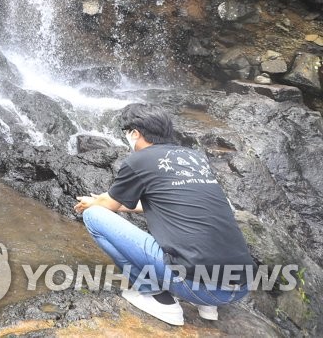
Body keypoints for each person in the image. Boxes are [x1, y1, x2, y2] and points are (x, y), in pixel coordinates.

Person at [73, 104, 254, 326]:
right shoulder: (193, 158)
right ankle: (208, 307)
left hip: (198, 286)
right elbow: (166, 204)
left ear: (135, 133)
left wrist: (93, 203)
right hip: (241, 286)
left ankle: (159, 299)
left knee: (94, 216)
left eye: (127, 133)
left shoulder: (139, 160)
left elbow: (106, 204)